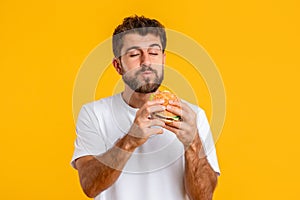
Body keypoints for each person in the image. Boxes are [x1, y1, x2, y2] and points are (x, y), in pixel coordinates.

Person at [71, 15, 220, 200]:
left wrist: (193, 143)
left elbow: (204, 197)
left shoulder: (193, 116)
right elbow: (89, 186)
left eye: (154, 53)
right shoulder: (94, 114)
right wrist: (130, 140)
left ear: (163, 59)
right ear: (118, 66)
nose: (146, 61)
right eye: (134, 54)